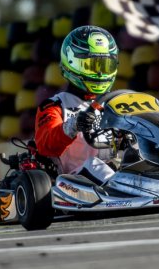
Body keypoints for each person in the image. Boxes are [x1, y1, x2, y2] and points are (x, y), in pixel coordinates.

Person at [34, 25, 119, 183]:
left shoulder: (114, 104)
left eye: (104, 66)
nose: (99, 73)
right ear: (72, 62)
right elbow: (46, 145)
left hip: (113, 171)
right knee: (94, 165)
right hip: (71, 181)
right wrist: (73, 125)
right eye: (90, 66)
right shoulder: (55, 106)